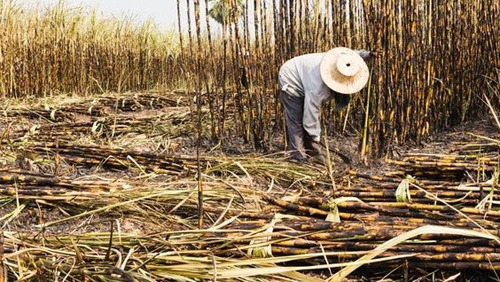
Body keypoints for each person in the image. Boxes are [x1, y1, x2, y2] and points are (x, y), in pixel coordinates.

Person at [278, 47, 373, 163]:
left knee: (306, 123)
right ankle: (298, 155)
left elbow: (353, 56)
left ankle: (311, 152)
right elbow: (310, 117)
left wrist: (367, 54)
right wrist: (315, 138)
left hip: (306, 75)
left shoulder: (341, 60)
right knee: (296, 119)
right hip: (290, 77)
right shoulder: (318, 88)